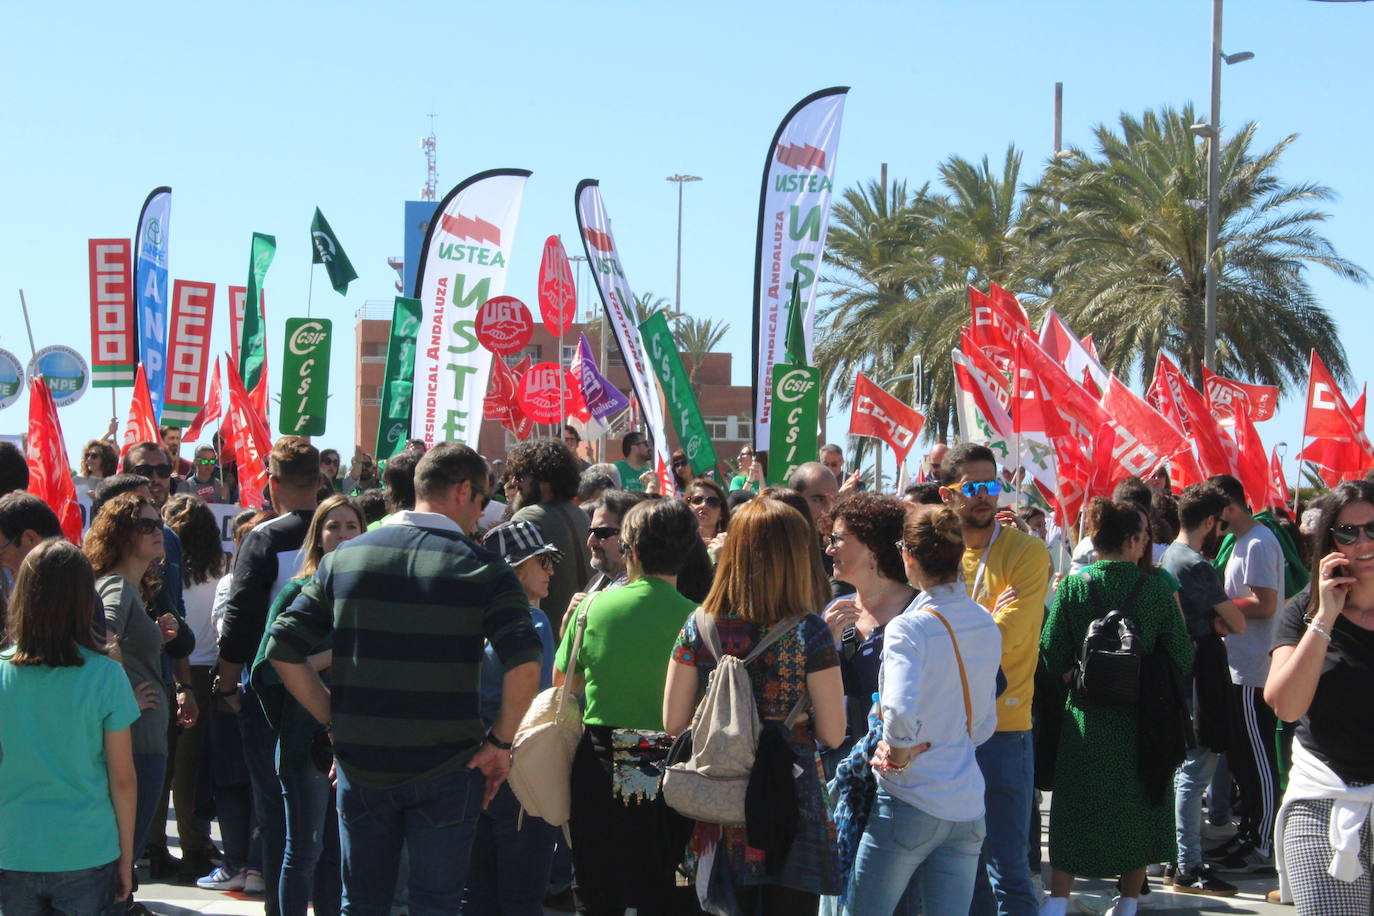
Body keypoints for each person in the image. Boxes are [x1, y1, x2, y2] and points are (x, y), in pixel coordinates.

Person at [265, 442, 541, 916]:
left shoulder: (344, 559)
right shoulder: (483, 568)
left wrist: (334, 718)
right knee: (436, 905)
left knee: (363, 904)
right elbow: (525, 662)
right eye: (481, 501)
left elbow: (281, 647)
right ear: (461, 491)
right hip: (449, 767)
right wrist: (499, 743)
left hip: (363, 765)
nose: (480, 515)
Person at [663, 497, 846, 913]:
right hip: (789, 799)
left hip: (716, 800)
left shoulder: (699, 623)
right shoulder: (810, 632)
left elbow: (673, 722)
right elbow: (834, 733)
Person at [843, 505, 1002, 915]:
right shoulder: (984, 621)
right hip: (966, 801)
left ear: (908, 555)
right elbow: (983, 725)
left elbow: (896, 711)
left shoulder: (908, 627)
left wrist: (897, 753)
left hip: (909, 798)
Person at [1038, 499, 1194, 916]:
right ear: (1131, 541)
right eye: (1144, 537)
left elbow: (1051, 652)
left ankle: (1056, 902)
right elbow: (1182, 653)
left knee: (1073, 811)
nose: (1147, 544)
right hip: (1142, 720)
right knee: (1138, 808)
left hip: (1085, 719)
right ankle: (1127, 902)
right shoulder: (1159, 587)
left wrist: (1077, 677)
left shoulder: (1073, 586)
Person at [551, 498, 700, 914]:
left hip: (601, 753)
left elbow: (563, 683)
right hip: (669, 757)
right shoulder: (699, 618)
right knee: (668, 882)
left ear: (629, 549)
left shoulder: (593, 607)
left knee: (598, 884)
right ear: (687, 550)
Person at [938, 443, 1049, 916]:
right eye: (973, 486)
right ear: (948, 494)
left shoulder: (1026, 551)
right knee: (965, 871)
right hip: (948, 735)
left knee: (1008, 870)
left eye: (993, 485)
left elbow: (1008, 638)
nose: (986, 496)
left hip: (1005, 732)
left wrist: (956, 630)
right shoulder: (938, 554)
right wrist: (986, 617)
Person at [0, 539, 140, 916]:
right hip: (87, 849)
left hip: (13, 848)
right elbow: (123, 780)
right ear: (84, 600)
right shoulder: (107, 675)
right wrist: (126, 859)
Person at [216, 436, 320, 915]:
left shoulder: (263, 537)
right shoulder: (344, 530)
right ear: (320, 481)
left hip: (273, 694)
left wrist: (225, 683)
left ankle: (282, 907)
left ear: (272, 484)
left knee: (278, 812)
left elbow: (240, 618)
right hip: (331, 690)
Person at [251, 495, 364, 916]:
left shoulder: (369, 594)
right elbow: (267, 667)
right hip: (305, 743)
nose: (343, 534)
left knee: (339, 857)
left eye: (352, 526)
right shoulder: (299, 592)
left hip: (354, 744)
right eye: (333, 526)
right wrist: (330, 657)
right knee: (304, 853)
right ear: (318, 537)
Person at [1267, 480, 1374, 913]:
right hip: (1323, 801)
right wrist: (1325, 617)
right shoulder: (1303, 609)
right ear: (1330, 541)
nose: (1362, 542)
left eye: (1372, 529)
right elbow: (1286, 705)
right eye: (1348, 533)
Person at [86, 492, 191, 910]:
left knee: (120, 863)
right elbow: (93, 638)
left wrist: (152, 636)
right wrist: (123, 694)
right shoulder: (115, 585)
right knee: (120, 869)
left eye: (159, 521)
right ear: (119, 535)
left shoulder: (126, 587)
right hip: (136, 742)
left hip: (139, 739)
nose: (157, 531)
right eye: (145, 525)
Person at [465, 520, 561, 916]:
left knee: (477, 894)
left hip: (472, 767)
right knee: (521, 898)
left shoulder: (469, 616)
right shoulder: (531, 621)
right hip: (519, 772)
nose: (551, 569)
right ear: (517, 568)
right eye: (543, 560)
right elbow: (538, 704)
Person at [1208, 473, 1285, 872]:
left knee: (1257, 761)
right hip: (1237, 666)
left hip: (1254, 669)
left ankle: (1265, 844)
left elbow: (1266, 603)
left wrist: (1221, 607)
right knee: (1241, 758)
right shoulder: (1240, 541)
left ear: (1228, 507)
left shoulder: (1258, 542)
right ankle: (1250, 830)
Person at [158, 495, 229, 881]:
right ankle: (192, 842)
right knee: (190, 766)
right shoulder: (219, 568)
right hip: (201, 671)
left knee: (160, 763)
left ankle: (153, 842)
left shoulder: (164, 569)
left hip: (166, 665)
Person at [820, 492, 916, 770]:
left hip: (898, 771)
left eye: (837, 539)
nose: (829, 549)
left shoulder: (922, 612)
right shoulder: (834, 610)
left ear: (872, 545)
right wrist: (823, 646)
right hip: (836, 767)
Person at [507, 439, 592, 626]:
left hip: (546, 637)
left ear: (544, 483)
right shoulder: (581, 514)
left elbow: (513, 589)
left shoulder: (527, 518)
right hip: (579, 633)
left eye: (520, 476)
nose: (514, 482)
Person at [687, 476, 730, 548]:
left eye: (713, 501)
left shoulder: (731, 546)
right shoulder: (677, 547)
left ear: (721, 514)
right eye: (697, 500)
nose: (704, 505)